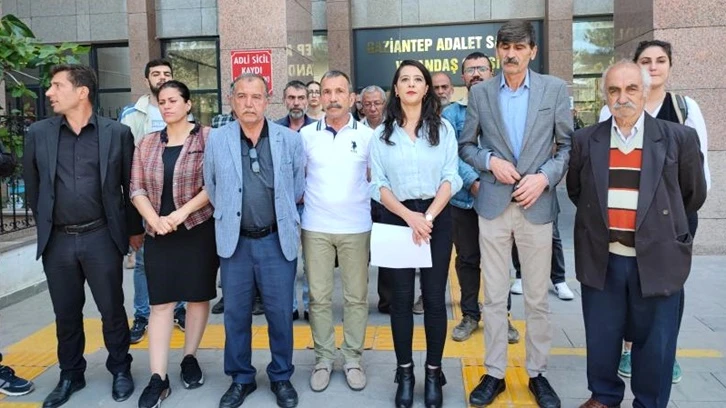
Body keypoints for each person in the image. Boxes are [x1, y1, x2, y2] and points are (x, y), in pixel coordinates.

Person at [568, 60, 707, 408]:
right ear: (605, 95)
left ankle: (649, 402)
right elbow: (577, 192)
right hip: (604, 258)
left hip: (658, 257)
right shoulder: (586, 140)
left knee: (656, 342)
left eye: (631, 88)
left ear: (645, 92)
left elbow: (692, 195)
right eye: (614, 90)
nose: (623, 97)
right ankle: (603, 396)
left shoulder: (678, 138)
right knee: (602, 335)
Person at [459, 20, 571, 408]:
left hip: (536, 205)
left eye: (519, 47)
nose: (511, 54)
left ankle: (537, 373)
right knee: (493, 297)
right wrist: (490, 161)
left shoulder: (554, 89)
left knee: (537, 298)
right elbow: (466, 146)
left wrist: (544, 178)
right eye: (505, 47)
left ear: (532, 51)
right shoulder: (481, 93)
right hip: (493, 206)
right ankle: (494, 373)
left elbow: (566, 147)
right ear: (498, 51)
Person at [23, 64, 143, 408]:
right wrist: (48, 226)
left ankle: (120, 368)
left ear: (82, 92)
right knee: (66, 313)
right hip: (58, 241)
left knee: (112, 309)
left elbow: (129, 187)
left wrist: (133, 232)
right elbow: (34, 188)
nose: (49, 92)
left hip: (101, 236)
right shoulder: (39, 134)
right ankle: (71, 374)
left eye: (56, 85)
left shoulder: (117, 133)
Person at [599, 40, 712, 386]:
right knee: (628, 287)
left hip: (671, 219)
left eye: (660, 60)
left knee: (665, 289)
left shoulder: (684, 108)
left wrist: (677, 215)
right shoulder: (612, 109)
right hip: (625, 222)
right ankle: (629, 349)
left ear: (670, 66)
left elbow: (698, 174)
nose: (653, 66)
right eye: (645, 60)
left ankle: (666, 352)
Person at [204, 73, 304, 408]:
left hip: (276, 240)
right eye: (242, 96)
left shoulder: (289, 140)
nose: (249, 103)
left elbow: (297, 187)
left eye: (256, 97)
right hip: (236, 242)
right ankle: (241, 378)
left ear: (267, 100)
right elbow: (212, 185)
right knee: (235, 314)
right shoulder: (217, 139)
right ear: (231, 100)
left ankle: (281, 375)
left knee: (280, 314)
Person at [370, 59, 462, 408]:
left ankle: (434, 372)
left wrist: (428, 216)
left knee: (435, 299)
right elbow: (378, 185)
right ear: (396, 89)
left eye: (417, 79)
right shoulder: (382, 135)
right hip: (397, 217)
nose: (411, 84)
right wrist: (410, 217)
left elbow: (451, 177)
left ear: (426, 89)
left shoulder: (444, 130)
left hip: (436, 218)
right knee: (401, 300)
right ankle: (405, 372)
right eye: (404, 79)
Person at [129, 80, 219, 407]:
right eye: (162, 101)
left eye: (173, 100)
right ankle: (158, 377)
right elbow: (136, 187)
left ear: (188, 104)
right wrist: (154, 220)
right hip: (159, 233)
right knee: (160, 303)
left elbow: (214, 183)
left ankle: (189, 357)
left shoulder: (208, 138)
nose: (167, 106)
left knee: (197, 296)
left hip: (197, 229)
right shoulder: (147, 143)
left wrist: (180, 213)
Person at [301, 70, 374, 393]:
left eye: (339, 91)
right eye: (327, 92)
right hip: (315, 226)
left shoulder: (368, 136)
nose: (332, 98)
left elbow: (375, 178)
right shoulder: (306, 136)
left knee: (356, 297)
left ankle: (353, 358)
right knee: (318, 298)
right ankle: (323, 358)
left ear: (351, 97)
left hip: (356, 227)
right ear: (319, 97)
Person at [442, 51, 521, 344]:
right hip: (463, 201)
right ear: (463, 77)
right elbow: (450, 154)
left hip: (500, 200)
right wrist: (474, 182)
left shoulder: (505, 107)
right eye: (470, 69)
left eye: (482, 68)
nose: (476, 73)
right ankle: (470, 315)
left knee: (498, 261)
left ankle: (502, 317)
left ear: (492, 73)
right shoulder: (451, 114)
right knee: (467, 259)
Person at [119, 58, 187, 344]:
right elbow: (126, 164)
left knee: (180, 259)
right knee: (144, 262)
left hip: (178, 203)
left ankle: (180, 309)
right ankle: (142, 315)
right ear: (147, 79)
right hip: (144, 201)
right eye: (156, 73)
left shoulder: (181, 109)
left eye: (166, 73)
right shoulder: (133, 115)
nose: (162, 77)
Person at [276, 80, 316, 321]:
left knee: (311, 259)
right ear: (284, 100)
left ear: (308, 100)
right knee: (287, 257)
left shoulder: (317, 130)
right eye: (291, 98)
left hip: (311, 204)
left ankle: (311, 306)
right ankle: (289, 306)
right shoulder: (274, 130)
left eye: (301, 98)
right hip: (285, 204)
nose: (296, 103)